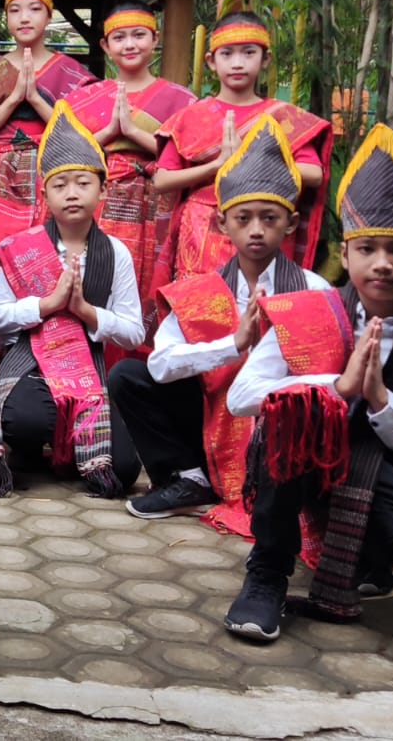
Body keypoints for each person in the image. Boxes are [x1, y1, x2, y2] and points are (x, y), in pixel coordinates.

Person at [223, 124, 393, 643]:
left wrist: (381, 401)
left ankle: (368, 555)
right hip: (304, 461)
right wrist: (335, 388)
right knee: (285, 422)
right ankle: (268, 572)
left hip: (379, 467)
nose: (382, 264)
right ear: (347, 252)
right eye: (367, 248)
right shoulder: (309, 311)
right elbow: (242, 397)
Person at [109, 117, 331, 531]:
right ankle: (190, 478)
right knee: (128, 376)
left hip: (276, 435)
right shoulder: (200, 291)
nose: (256, 230)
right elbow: (160, 365)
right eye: (243, 218)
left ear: (291, 223)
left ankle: (281, 491)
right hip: (208, 423)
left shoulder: (314, 291)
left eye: (270, 218)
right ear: (223, 223)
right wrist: (234, 344)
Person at [0, 102, 145, 497]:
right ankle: (39, 443)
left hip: (87, 371)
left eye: (83, 183)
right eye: (60, 185)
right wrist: (47, 306)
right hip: (31, 362)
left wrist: (86, 312)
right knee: (23, 422)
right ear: (44, 194)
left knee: (122, 470)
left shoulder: (116, 253)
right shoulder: (22, 247)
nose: (72, 194)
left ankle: (68, 446)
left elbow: (134, 332)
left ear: (103, 189)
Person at [152, 12, 333, 288]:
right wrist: (217, 166)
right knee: (203, 301)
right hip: (202, 227)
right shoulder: (189, 118)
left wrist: (250, 160)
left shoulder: (285, 118)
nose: (237, 63)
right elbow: (162, 180)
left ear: (265, 59)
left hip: (263, 224)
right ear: (211, 61)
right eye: (227, 54)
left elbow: (314, 173)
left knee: (263, 298)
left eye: (248, 52)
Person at [65, 4, 197, 333]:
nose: (130, 44)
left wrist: (134, 133)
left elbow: (189, 158)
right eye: (119, 37)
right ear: (105, 46)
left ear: (155, 39)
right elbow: (67, 154)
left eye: (139, 35)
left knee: (153, 280)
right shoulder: (84, 98)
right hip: (100, 200)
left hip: (158, 203)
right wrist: (111, 132)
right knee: (97, 274)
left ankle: (143, 359)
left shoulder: (181, 100)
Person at [0, 0, 97, 286]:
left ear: (49, 17)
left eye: (35, 9)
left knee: (47, 253)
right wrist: (13, 99)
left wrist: (35, 99)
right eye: (15, 10)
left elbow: (82, 138)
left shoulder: (71, 72)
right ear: (6, 18)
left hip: (49, 171)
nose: (24, 17)